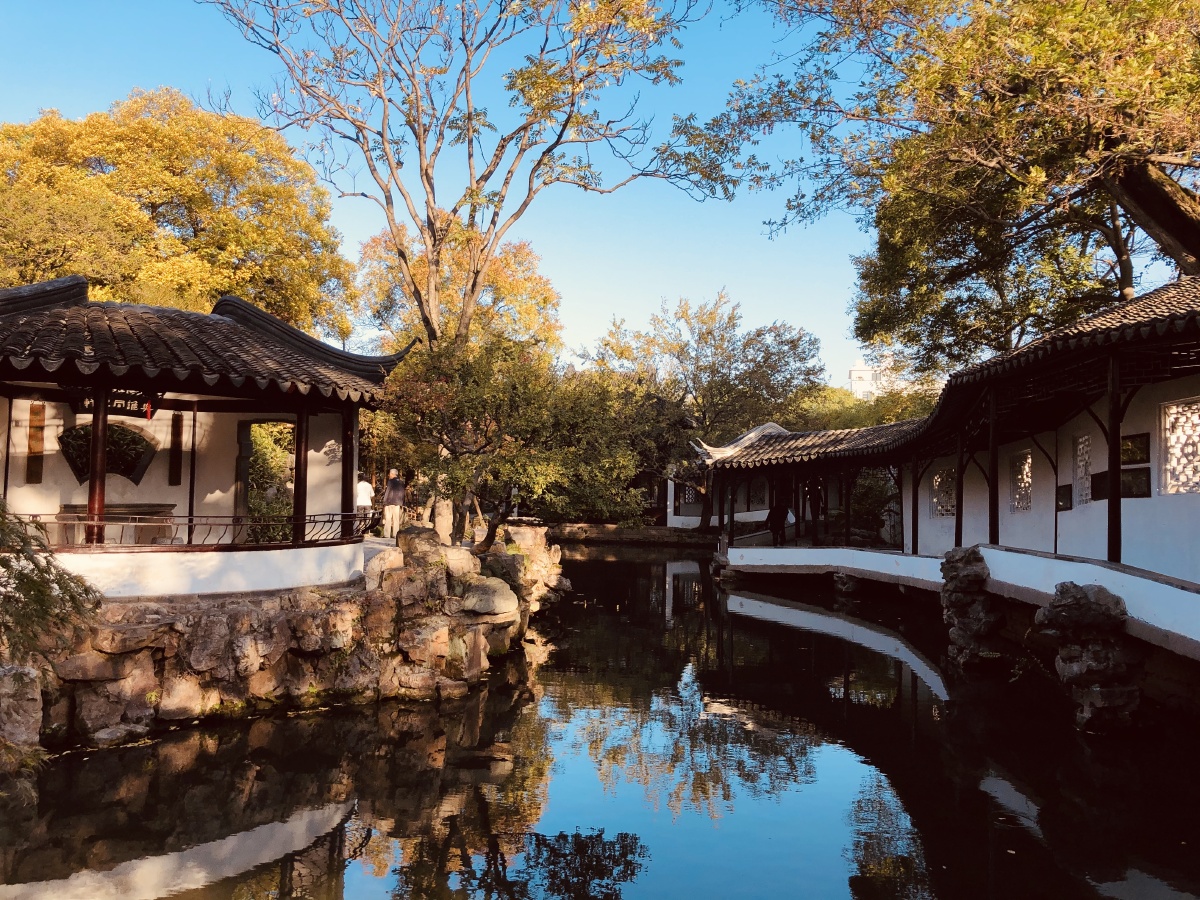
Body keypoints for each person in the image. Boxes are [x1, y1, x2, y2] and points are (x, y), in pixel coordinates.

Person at [382, 468, 406, 538]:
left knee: (388, 518)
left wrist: (384, 502)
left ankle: (387, 535)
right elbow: (402, 493)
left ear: (392, 474)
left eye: (389, 473)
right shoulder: (401, 482)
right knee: (396, 519)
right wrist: (402, 502)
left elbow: (388, 491)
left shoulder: (390, 481)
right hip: (398, 502)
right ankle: (395, 534)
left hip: (389, 502)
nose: (389, 475)